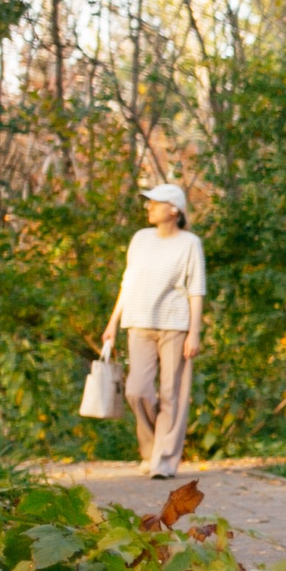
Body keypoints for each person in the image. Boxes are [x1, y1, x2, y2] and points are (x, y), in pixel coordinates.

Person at [101, 183, 208, 480]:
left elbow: (196, 290)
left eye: (155, 203)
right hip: (139, 322)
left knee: (172, 393)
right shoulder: (140, 239)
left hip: (175, 325)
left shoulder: (190, 243)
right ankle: (150, 451)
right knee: (137, 391)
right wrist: (112, 322)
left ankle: (164, 460)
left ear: (174, 210)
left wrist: (194, 333)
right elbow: (128, 282)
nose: (148, 207)